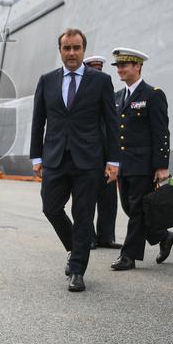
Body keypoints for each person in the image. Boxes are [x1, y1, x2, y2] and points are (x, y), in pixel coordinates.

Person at [30, 29, 120, 293]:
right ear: (60, 50)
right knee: (50, 207)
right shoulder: (47, 81)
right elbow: (38, 122)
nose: (72, 53)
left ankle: (78, 270)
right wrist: (37, 157)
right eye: (67, 48)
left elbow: (112, 123)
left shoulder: (100, 81)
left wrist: (114, 161)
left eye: (76, 48)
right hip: (55, 158)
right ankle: (74, 248)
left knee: (83, 215)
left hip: (89, 160)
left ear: (83, 50)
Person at [108, 48, 173, 271]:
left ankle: (129, 256)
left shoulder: (153, 94)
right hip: (124, 164)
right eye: (118, 66)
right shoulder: (118, 97)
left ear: (138, 66)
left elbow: (161, 132)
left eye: (125, 65)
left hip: (143, 164)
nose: (120, 69)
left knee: (137, 209)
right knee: (129, 207)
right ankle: (164, 236)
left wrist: (162, 165)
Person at [83, 55, 121, 250]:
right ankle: (88, 237)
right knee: (86, 198)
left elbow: (114, 127)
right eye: (93, 68)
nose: (97, 71)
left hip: (106, 155)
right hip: (88, 156)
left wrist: (114, 158)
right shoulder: (81, 96)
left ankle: (106, 237)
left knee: (108, 199)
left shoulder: (109, 94)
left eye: (99, 68)